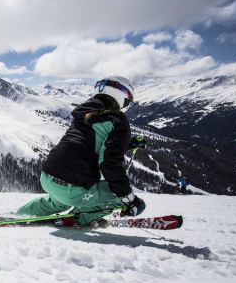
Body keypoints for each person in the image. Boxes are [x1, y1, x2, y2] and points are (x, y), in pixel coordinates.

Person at [17, 76, 146, 228]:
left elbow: (88, 142)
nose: (126, 103)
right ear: (120, 95)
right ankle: (82, 219)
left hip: (47, 177)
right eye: (128, 98)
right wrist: (130, 200)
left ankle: (19, 215)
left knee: (57, 203)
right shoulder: (118, 121)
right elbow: (109, 163)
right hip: (73, 189)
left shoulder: (84, 112)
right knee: (122, 196)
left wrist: (126, 144)